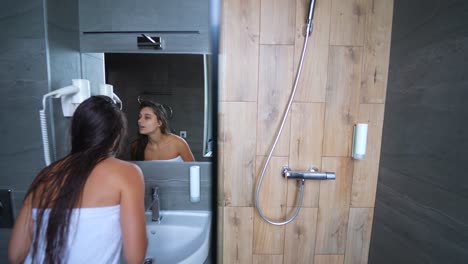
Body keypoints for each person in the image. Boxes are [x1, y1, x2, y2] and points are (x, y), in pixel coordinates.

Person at [8, 96, 147, 264]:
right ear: (116, 136)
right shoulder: (127, 173)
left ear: (77, 132)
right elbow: (135, 257)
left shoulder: (45, 175)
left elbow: (15, 256)